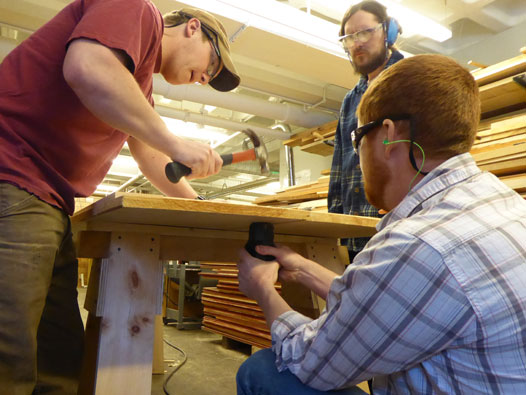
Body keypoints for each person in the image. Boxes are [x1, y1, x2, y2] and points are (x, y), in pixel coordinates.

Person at [236, 54, 526, 394]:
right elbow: (387, 304)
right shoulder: (501, 203)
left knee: (263, 371)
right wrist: (302, 270)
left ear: (387, 135)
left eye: (359, 139)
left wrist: (262, 290)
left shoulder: (419, 244)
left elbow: (311, 360)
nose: (358, 158)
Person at [0, 0, 240, 393]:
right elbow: (88, 66)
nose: (205, 79)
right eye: (211, 65)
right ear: (193, 28)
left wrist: (204, 211)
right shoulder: (138, 10)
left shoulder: (138, 91)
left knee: (57, 358)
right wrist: (176, 142)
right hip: (12, 176)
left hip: (48, 202)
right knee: (10, 351)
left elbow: (153, 162)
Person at [328, 1, 404, 262]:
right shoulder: (351, 99)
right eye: (349, 38)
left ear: (388, 32)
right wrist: (336, 224)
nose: (356, 43)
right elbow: (340, 164)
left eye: (364, 33)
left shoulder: (410, 79)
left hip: (399, 227)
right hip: (354, 230)